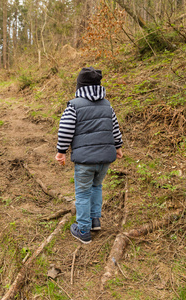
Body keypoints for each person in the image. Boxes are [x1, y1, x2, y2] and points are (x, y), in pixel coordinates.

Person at [55, 67, 123, 244]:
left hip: (85, 160)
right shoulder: (107, 105)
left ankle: (83, 229)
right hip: (105, 159)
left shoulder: (74, 106)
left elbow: (65, 130)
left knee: (83, 193)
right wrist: (118, 147)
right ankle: (95, 220)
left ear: (79, 87)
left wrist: (61, 152)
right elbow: (114, 128)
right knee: (96, 187)